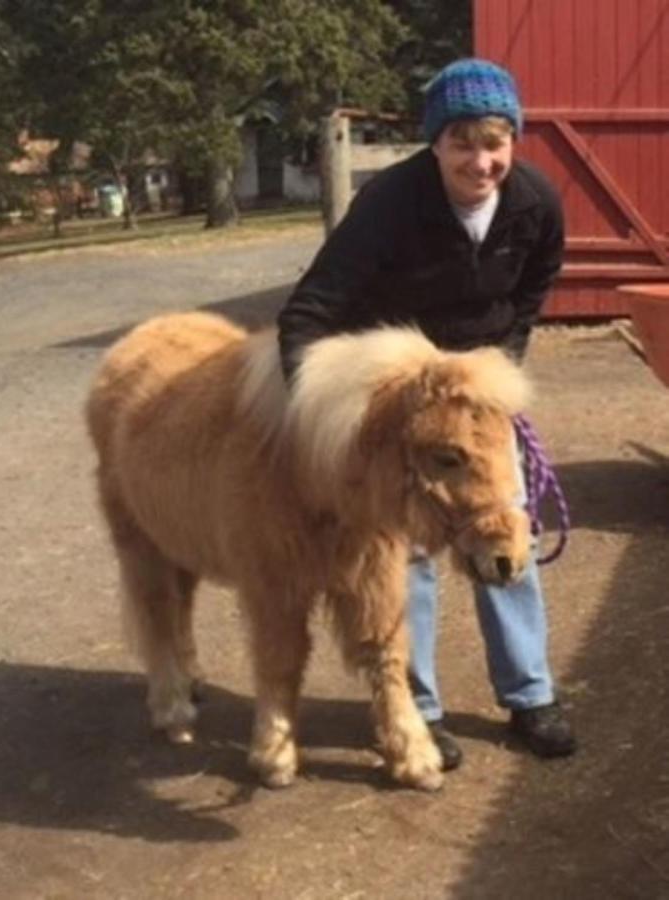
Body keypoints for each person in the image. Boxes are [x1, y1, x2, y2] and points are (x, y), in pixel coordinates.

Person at [277, 58, 577, 770]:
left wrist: (502, 361)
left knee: (504, 522)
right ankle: (419, 707)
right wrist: (314, 412)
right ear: (435, 143)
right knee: (404, 548)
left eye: (495, 142)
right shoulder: (388, 202)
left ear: (513, 141)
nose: (481, 161)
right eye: (463, 143)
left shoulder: (534, 201)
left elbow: (534, 284)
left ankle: (529, 695)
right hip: (403, 396)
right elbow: (310, 310)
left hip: (476, 388)